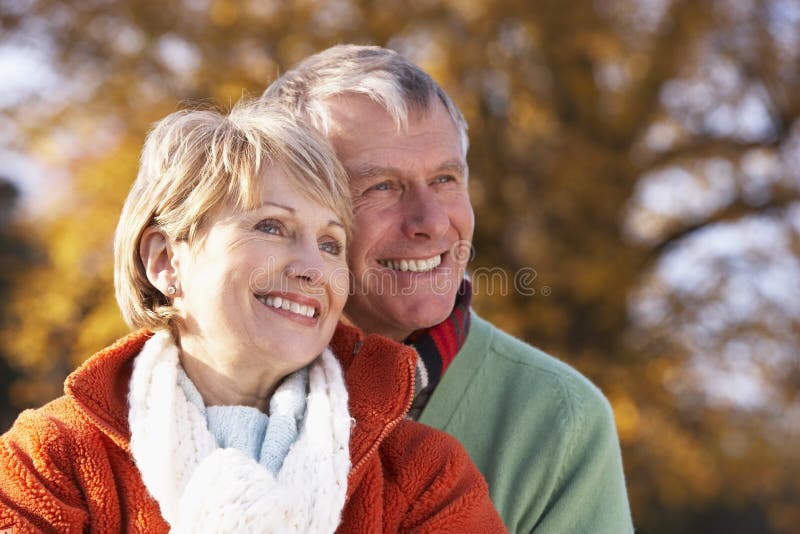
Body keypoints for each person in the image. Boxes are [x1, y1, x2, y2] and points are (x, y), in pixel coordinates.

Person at [0, 99, 505, 533]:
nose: (312, 268)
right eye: (271, 226)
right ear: (164, 260)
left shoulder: (422, 474)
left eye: (331, 243)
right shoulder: (50, 460)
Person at [264, 44, 635, 533]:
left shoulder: (559, 420)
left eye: (445, 179)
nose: (431, 222)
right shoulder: (187, 391)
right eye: (381, 187)